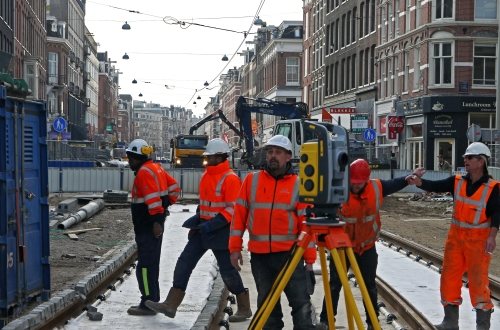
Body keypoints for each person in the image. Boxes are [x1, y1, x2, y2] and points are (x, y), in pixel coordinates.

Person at [145, 138, 252, 322]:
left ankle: (244, 308)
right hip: (204, 229)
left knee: (228, 271)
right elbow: (204, 204)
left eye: (209, 157)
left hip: (221, 231)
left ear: (219, 157)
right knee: (184, 262)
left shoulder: (230, 178)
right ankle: (171, 304)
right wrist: (197, 222)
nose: (206, 160)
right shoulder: (206, 176)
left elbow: (232, 209)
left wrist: (211, 225)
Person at [318, 158, 420, 329]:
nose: (355, 186)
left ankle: (372, 322)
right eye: (353, 183)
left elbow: (393, 184)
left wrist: (407, 178)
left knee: (369, 286)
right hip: (342, 248)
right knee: (335, 284)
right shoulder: (339, 190)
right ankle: (326, 320)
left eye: (359, 183)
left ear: (366, 180)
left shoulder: (376, 187)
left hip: (366, 247)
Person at [407, 142, 499, 330]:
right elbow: (437, 186)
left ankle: (482, 325)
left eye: (469, 158)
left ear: (481, 161)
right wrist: (420, 183)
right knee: (449, 277)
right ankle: (450, 322)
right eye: (465, 157)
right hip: (456, 240)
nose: (465, 160)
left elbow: (497, 214)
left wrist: (492, 236)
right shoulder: (457, 181)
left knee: (478, 281)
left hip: (478, 242)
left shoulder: (493, 188)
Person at [229, 135, 316, 330]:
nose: (272, 156)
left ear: (288, 157)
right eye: (269, 152)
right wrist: (234, 248)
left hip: (290, 257)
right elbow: (238, 218)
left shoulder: (298, 185)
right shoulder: (252, 181)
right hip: (260, 258)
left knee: (301, 305)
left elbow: (307, 225)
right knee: (268, 308)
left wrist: (309, 259)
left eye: (278, 152)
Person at [125, 139, 180, 315]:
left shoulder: (144, 172)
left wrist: (156, 220)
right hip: (153, 226)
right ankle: (153, 298)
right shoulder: (156, 168)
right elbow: (174, 188)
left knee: (145, 266)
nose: (129, 162)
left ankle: (148, 302)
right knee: (152, 264)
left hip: (147, 227)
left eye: (130, 158)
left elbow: (153, 199)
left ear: (137, 157)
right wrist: (165, 209)